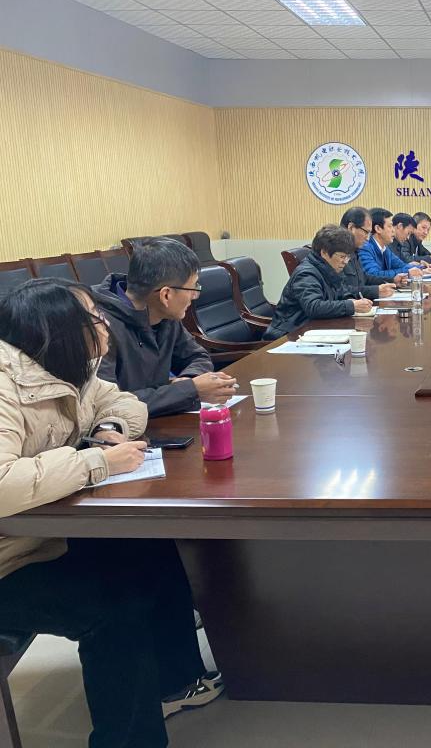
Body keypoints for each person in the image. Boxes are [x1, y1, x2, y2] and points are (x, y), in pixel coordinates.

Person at [0, 278, 222, 748]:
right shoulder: (6, 386)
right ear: (58, 329)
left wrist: (107, 428)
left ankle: (176, 682)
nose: (105, 324)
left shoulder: (68, 370)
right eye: (94, 317)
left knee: (152, 549)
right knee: (115, 606)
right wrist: (96, 462)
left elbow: (124, 401)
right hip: (8, 561)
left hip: (40, 536)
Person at [94, 237, 236, 417]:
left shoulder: (164, 315)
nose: (195, 296)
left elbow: (197, 356)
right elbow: (111, 404)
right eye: (193, 288)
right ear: (166, 295)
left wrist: (189, 380)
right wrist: (188, 390)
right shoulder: (99, 328)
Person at [264, 224, 373, 340]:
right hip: (290, 335)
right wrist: (351, 306)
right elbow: (314, 307)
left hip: (314, 330)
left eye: (347, 257)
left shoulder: (330, 268)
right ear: (324, 252)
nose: (345, 262)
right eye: (342, 257)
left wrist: (351, 300)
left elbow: (342, 291)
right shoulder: (306, 273)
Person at [358, 208, 431, 282]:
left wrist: (421, 268)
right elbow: (374, 274)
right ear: (378, 229)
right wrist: (408, 271)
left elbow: (402, 265)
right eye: (390, 226)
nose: (393, 230)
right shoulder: (365, 247)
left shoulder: (385, 249)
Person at [341, 206, 397, 297]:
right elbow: (341, 290)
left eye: (369, 233)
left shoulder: (354, 250)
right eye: (366, 232)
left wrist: (393, 280)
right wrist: (375, 291)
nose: (367, 238)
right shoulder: (336, 252)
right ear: (351, 228)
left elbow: (364, 278)